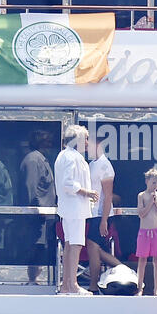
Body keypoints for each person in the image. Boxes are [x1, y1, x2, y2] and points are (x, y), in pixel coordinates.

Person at [54, 125, 98, 295]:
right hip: (74, 208)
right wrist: (87, 192)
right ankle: (72, 285)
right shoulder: (71, 157)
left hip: (70, 208)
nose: (87, 143)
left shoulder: (65, 156)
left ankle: (66, 285)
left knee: (70, 244)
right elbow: (68, 183)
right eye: (85, 139)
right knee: (75, 244)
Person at [18, 130, 56, 284]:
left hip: (46, 216)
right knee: (35, 247)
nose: (50, 144)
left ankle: (35, 279)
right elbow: (31, 187)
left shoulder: (43, 159)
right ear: (39, 142)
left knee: (41, 247)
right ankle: (32, 279)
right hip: (38, 216)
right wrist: (38, 210)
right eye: (47, 141)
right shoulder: (33, 160)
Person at [86, 135, 121, 294]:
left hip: (101, 214)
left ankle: (93, 286)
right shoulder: (92, 164)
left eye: (89, 145)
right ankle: (123, 268)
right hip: (91, 213)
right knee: (93, 247)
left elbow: (108, 195)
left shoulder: (105, 165)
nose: (86, 148)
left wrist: (104, 220)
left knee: (93, 246)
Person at [136, 168, 157, 296]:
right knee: (142, 260)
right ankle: (139, 289)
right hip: (144, 232)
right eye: (154, 182)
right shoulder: (142, 195)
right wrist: (150, 203)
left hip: (156, 232)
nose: (155, 186)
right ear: (147, 181)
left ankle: (156, 290)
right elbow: (141, 214)